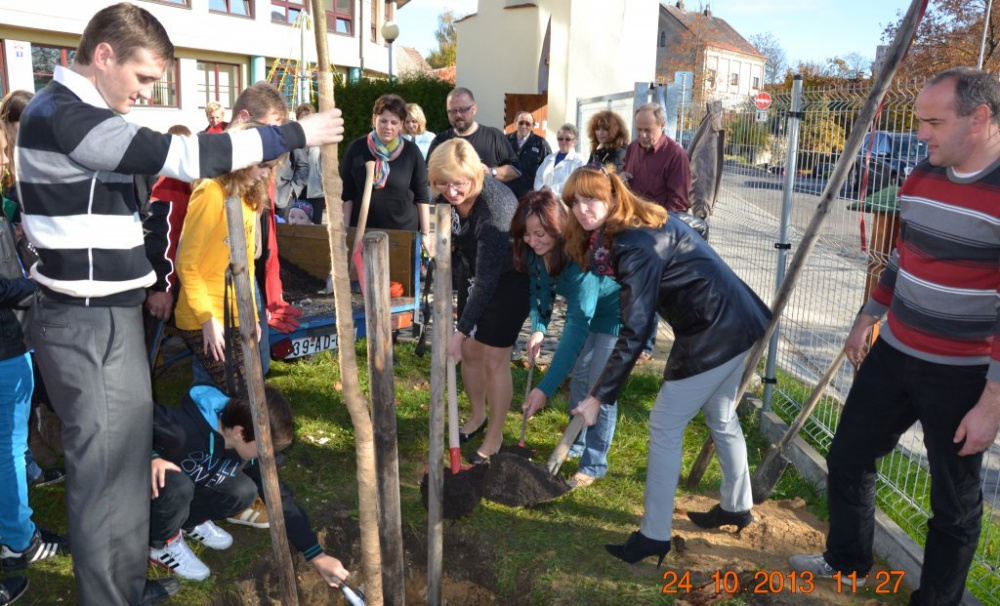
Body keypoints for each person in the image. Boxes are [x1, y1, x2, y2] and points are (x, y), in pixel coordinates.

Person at [15, 5, 345, 604]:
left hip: (107, 315)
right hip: (87, 324)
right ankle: (111, 595)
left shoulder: (74, 114)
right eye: (143, 79)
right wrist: (299, 132)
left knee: (120, 471)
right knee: (102, 479)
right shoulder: (69, 117)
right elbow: (191, 157)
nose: (145, 95)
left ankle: (123, 581)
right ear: (106, 55)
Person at [789, 67, 1000, 605]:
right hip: (895, 351)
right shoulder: (920, 177)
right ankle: (848, 564)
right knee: (849, 456)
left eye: (933, 121)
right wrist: (868, 316)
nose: (921, 134)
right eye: (919, 121)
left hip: (962, 375)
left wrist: (992, 403)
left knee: (954, 503)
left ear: (979, 119)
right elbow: (902, 258)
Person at [562, 165, 769, 567]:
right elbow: (695, 228)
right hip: (740, 317)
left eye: (592, 199)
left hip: (716, 330)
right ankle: (736, 505)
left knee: (664, 424)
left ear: (613, 196)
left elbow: (635, 330)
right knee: (721, 414)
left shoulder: (632, 245)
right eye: (575, 202)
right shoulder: (643, 219)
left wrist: (597, 397)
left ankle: (654, 535)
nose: (583, 209)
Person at [148, 383, 350, 587]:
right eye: (264, 449)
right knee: (178, 485)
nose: (268, 456)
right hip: (150, 494)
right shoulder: (182, 427)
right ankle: (160, 544)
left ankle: (188, 522)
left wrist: (316, 555)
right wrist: (152, 457)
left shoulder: (246, 449)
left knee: (244, 492)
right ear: (239, 432)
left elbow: (278, 497)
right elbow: (129, 417)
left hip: (192, 489)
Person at [429, 138, 529, 463]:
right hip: (474, 274)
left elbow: (488, 280)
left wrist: (459, 331)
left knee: (493, 360)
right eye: (442, 182)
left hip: (509, 281)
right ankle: (476, 416)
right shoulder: (446, 198)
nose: (450, 190)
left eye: (457, 183)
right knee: (471, 351)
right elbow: (454, 242)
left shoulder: (495, 209)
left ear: (473, 176)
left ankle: (495, 434)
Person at [514, 190, 621, 488]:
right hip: (585, 314)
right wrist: (539, 327)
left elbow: (574, 334)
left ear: (557, 228)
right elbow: (540, 292)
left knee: (601, 387)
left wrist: (545, 389)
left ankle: (594, 462)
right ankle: (575, 442)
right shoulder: (538, 256)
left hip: (613, 317)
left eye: (540, 234)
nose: (533, 241)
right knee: (580, 379)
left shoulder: (579, 263)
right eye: (527, 235)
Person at [0, 128, 66, 574]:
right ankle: (19, 540)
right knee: (8, 446)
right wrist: (36, 283)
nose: (7, 153)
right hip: (5, 346)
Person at [174, 120, 274, 397]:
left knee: (243, 392)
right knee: (237, 392)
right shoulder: (210, 192)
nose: (265, 175)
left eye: (269, 167)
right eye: (261, 166)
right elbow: (186, 264)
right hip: (203, 315)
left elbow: (248, 266)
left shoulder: (246, 197)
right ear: (243, 159)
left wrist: (251, 315)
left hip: (234, 311)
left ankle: (220, 438)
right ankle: (206, 437)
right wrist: (207, 319)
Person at [621, 103, 692, 364]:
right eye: (638, 129)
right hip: (631, 227)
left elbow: (679, 204)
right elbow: (627, 181)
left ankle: (646, 346)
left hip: (657, 232)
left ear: (662, 126)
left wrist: (651, 221)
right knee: (631, 288)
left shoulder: (676, 155)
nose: (642, 135)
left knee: (650, 291)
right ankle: (630, 338)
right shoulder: (632, 149)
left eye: (648, 130)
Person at [341, 94, 430, 236]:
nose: (388, 127)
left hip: (403, 235)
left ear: (401, 124)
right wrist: (345, 231)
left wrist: (425, 235)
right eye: (383, 121)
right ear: (374, 119)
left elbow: (422, 197)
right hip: (363, 233)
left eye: (394, 122)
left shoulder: (411, 152)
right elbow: (347, 195)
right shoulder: (356, 149)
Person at [426, 88, 522, 197]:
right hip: (447, 208)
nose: (458, 115)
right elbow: (428, 175)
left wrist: (491, 172)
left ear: (474, 109)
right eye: (452, 111)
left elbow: (516, 170)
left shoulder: (494, 136)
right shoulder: (440, 141)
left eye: (463, 109)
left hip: (486, 207)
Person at [534, 123, 586, 197]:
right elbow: (538, 177)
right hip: (545, 201)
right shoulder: (548, 158)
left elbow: (576, 183)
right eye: (560, 139)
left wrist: (552, 191)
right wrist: (541, 189)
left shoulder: (579, 161)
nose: (563, 142)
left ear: (574, 142)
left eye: (567, 139)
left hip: (565, 204)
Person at [506, 110, 551, 195]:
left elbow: (548, 168)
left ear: (533, 125)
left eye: (528, 124)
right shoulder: (505, 141)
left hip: (530, 193)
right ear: (515, 123)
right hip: (508, 192)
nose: (524, 126)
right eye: (521, 122)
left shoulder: (540, 143)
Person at [295, 103, 326, 224]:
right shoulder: (294, 141)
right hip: (297, 191)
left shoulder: (321, 140)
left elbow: (326, 167)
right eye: (302, 118)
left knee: (314, 226)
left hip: (315, 191)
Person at [586, 110, 629, 174]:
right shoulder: (597, 151)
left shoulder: (620, 152)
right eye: (597, 129)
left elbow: (611, 177)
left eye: (605, 129)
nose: (600, 133)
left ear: (615, 130)